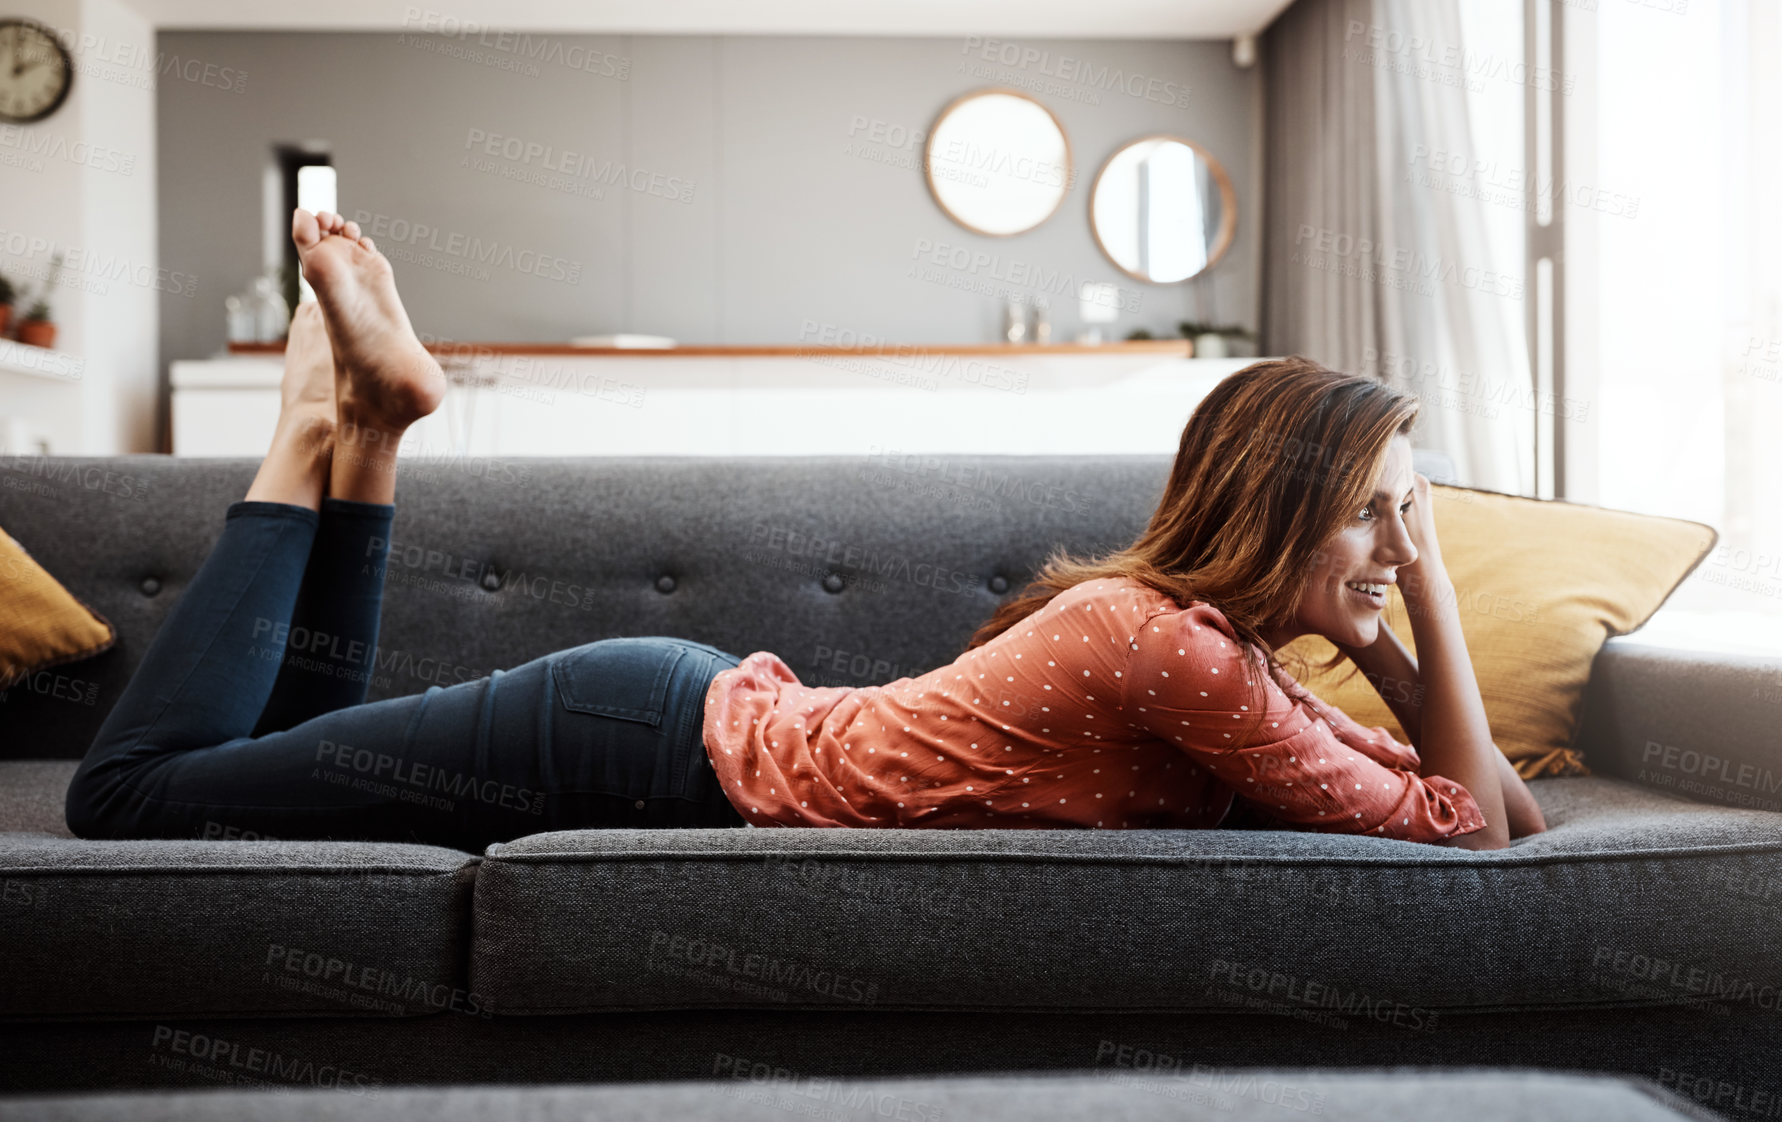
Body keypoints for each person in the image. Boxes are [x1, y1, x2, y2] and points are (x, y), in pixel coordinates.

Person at [65, 208, 1545, 851]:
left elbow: (1479, 805)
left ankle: (371, 433)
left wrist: (1400, 624)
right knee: (130, 799)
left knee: (265, 784)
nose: (1390, 549)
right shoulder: (1178, 653)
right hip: (640, 741)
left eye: (1400, 523)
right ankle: (304, 434)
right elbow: (1470, 824)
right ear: (1276, 507)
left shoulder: (1223, 656)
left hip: (659, 724)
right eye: (1370, 518)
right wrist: (1421, 592)